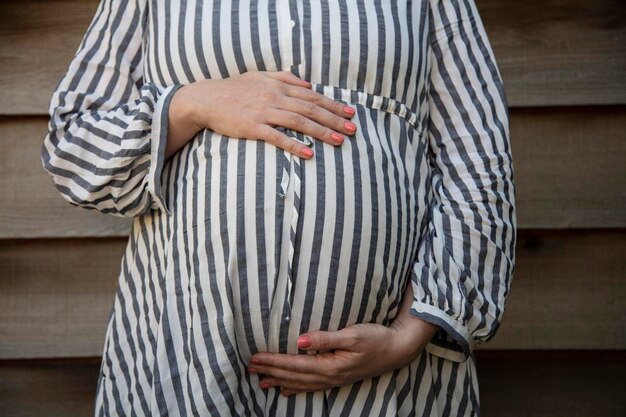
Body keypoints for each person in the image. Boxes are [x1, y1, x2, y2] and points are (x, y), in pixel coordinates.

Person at [41, 0, 517, 415]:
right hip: (186, 363)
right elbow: (75, 146)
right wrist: (193, 103)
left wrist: (411, 332)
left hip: (388, 384)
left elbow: (478, 157)